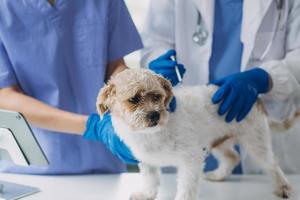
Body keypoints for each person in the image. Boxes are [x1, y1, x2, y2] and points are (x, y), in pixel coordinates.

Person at [140, 0, 300, 174]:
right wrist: (158, 64)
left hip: (266, 127)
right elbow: (154, 42)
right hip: (186, 128)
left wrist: (265, 78)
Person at [0, 0, 143, 174]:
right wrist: (91, 126)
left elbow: (114, 67)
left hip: (103, 164)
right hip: (30, 170)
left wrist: (139, 87)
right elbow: (5, 96)